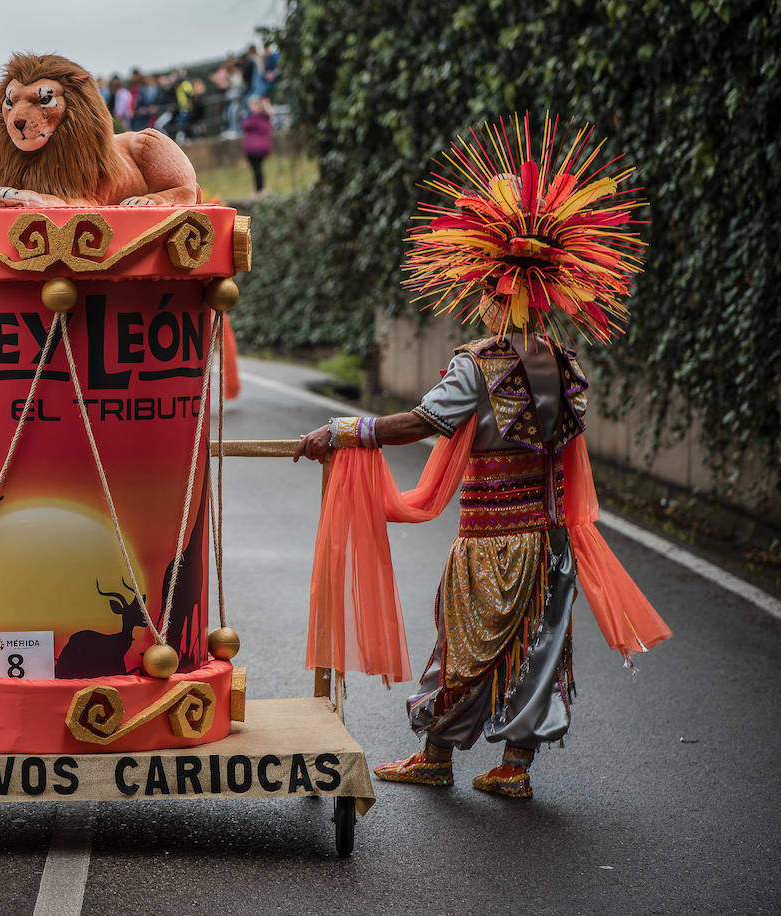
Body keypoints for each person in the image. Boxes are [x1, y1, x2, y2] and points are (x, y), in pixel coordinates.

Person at [293, 116, 671, 799]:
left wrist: (346, 430)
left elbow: (420, 422)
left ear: (489, 286)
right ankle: (514, 770)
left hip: (492, 538)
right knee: (538, 652)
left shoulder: (480, 362)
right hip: (549, 539)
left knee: (461, 645)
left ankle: (436, 757)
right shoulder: (565, 361)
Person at [241, 96, 273, 195]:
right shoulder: (266, 118)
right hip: (262, 147)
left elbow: (245, 126)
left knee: (256, 169)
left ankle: (259, 190)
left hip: (254, 149)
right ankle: (261, 188)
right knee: (258, 169)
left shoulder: (255, 119)